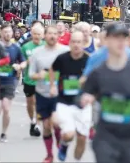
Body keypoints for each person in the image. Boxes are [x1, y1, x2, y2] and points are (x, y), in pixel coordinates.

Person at [80, 23, 130, 163]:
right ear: (106, 40)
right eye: (116, 38)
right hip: (106, 138)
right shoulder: (98, 72)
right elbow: (82, 93)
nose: (120, 42)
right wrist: (86, 98)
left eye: (124, 38)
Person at [28, 25, 69, 163]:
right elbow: (30, 74)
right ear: (44, 36)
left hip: (59, 94)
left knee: (56, 123)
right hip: (42, 94)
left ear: (58, 36)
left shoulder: (65, 52)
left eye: (54, 34)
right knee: (46, 125)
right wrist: (40, 75)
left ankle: (59, 144)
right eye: (49, 34)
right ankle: (49, 154)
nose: (52, 36)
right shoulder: (37, 53)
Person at [50, 31, 90, 162]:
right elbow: (52, 70)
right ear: (69, 43)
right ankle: (64, 145)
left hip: (83, 104)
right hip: (64, 102)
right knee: (69, 134)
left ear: (84, 44)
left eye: (79, 42)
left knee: (82, 138)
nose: (76, 45)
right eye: (73, 41)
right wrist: (53, 85)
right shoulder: (62, 58)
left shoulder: (89, 60)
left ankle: (76, 160)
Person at [0, 24, 24, 142]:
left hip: (10, 81)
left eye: (9, 32)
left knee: (6, 108)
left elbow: (23, 62)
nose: (8, 34)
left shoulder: (16, 48)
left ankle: (3, 133)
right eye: (5, 32)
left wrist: (19, 66)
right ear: (1, 33)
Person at [20, 23, 44, 137]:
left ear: (43, 35)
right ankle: (33, 120)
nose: (36, 36)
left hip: (42, 80)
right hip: (29, 79)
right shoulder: (26, 47)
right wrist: (22, 67)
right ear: (31, 34)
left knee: (38, 102)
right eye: (34, 33)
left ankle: (38, 124)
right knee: (30, 103)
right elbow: (22, 61)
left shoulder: (46, 46)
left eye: (39, 34)